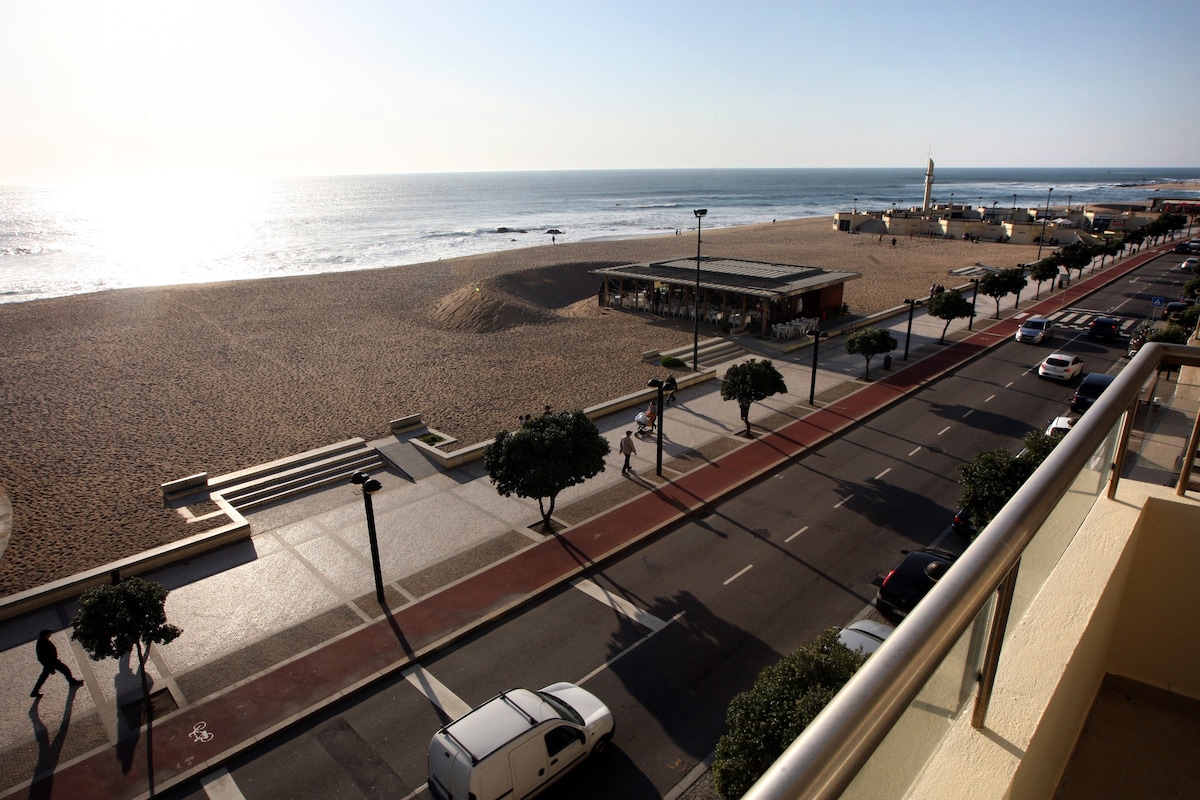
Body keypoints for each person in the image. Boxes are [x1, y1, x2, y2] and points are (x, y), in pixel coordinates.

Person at [31, 629, 83, 698]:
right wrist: (51, 667)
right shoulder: (42, 644)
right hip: (51, 662)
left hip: (52, 662)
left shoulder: (43, 641)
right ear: (46, 635)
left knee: (44, 677)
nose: (50, 634)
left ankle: (35, 692)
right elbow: (42, 658)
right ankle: (72, 682)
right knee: (65, 670)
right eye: (49, 633)